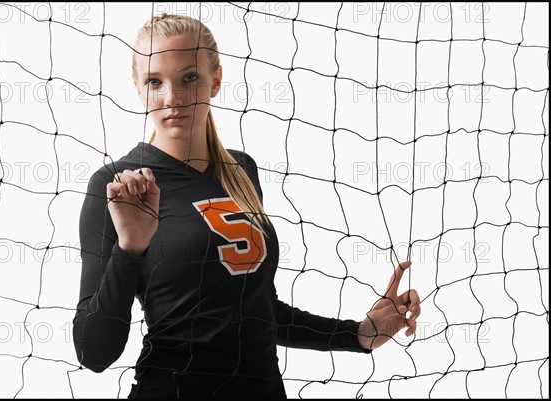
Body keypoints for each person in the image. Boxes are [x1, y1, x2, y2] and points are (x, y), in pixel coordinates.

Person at [72, 13, 421, 399]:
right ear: (139, 89)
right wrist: (130, 248)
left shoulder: (240, 170)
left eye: (189, 78)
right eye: (155, 82)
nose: (172, 98)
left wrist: (358, 334)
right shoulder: (118, 185)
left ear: (215, 80)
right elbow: (93, 352)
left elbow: (257, 310)